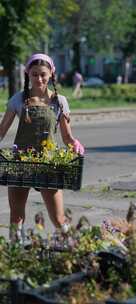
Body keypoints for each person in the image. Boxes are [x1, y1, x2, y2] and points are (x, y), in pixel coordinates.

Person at [0, 53, 84, 242]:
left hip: (49, 164)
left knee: (58, 218)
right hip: (20, 163)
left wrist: (75, 144)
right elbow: (1, 131)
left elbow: (67, 137)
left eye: (43, 74)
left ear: (51, 73)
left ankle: (72, 248)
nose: (39, 79)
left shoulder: (59, 101)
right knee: (16, 218)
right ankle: (16, 253)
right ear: (27, 73)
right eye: (35, 74)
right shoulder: (18, 99)